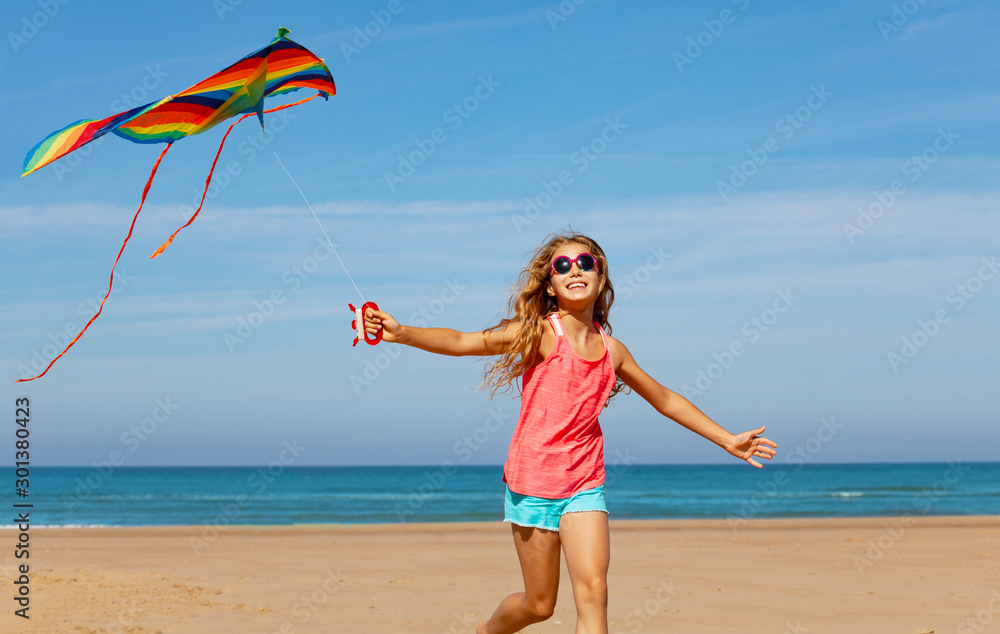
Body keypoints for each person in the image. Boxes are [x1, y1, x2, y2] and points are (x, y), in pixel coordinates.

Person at [363, 231, 777, 634]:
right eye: (563, 265)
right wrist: (402, 334)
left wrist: (727, 439)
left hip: (584, 482)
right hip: (533, 483)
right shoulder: (540, 333)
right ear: (551, 285)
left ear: (601, 280)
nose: (574, 270)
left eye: (586, 263)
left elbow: (664, 398)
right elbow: (463, 341)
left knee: (594, 591)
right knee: (539, 605)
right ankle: (488, 631)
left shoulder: (613, 351)